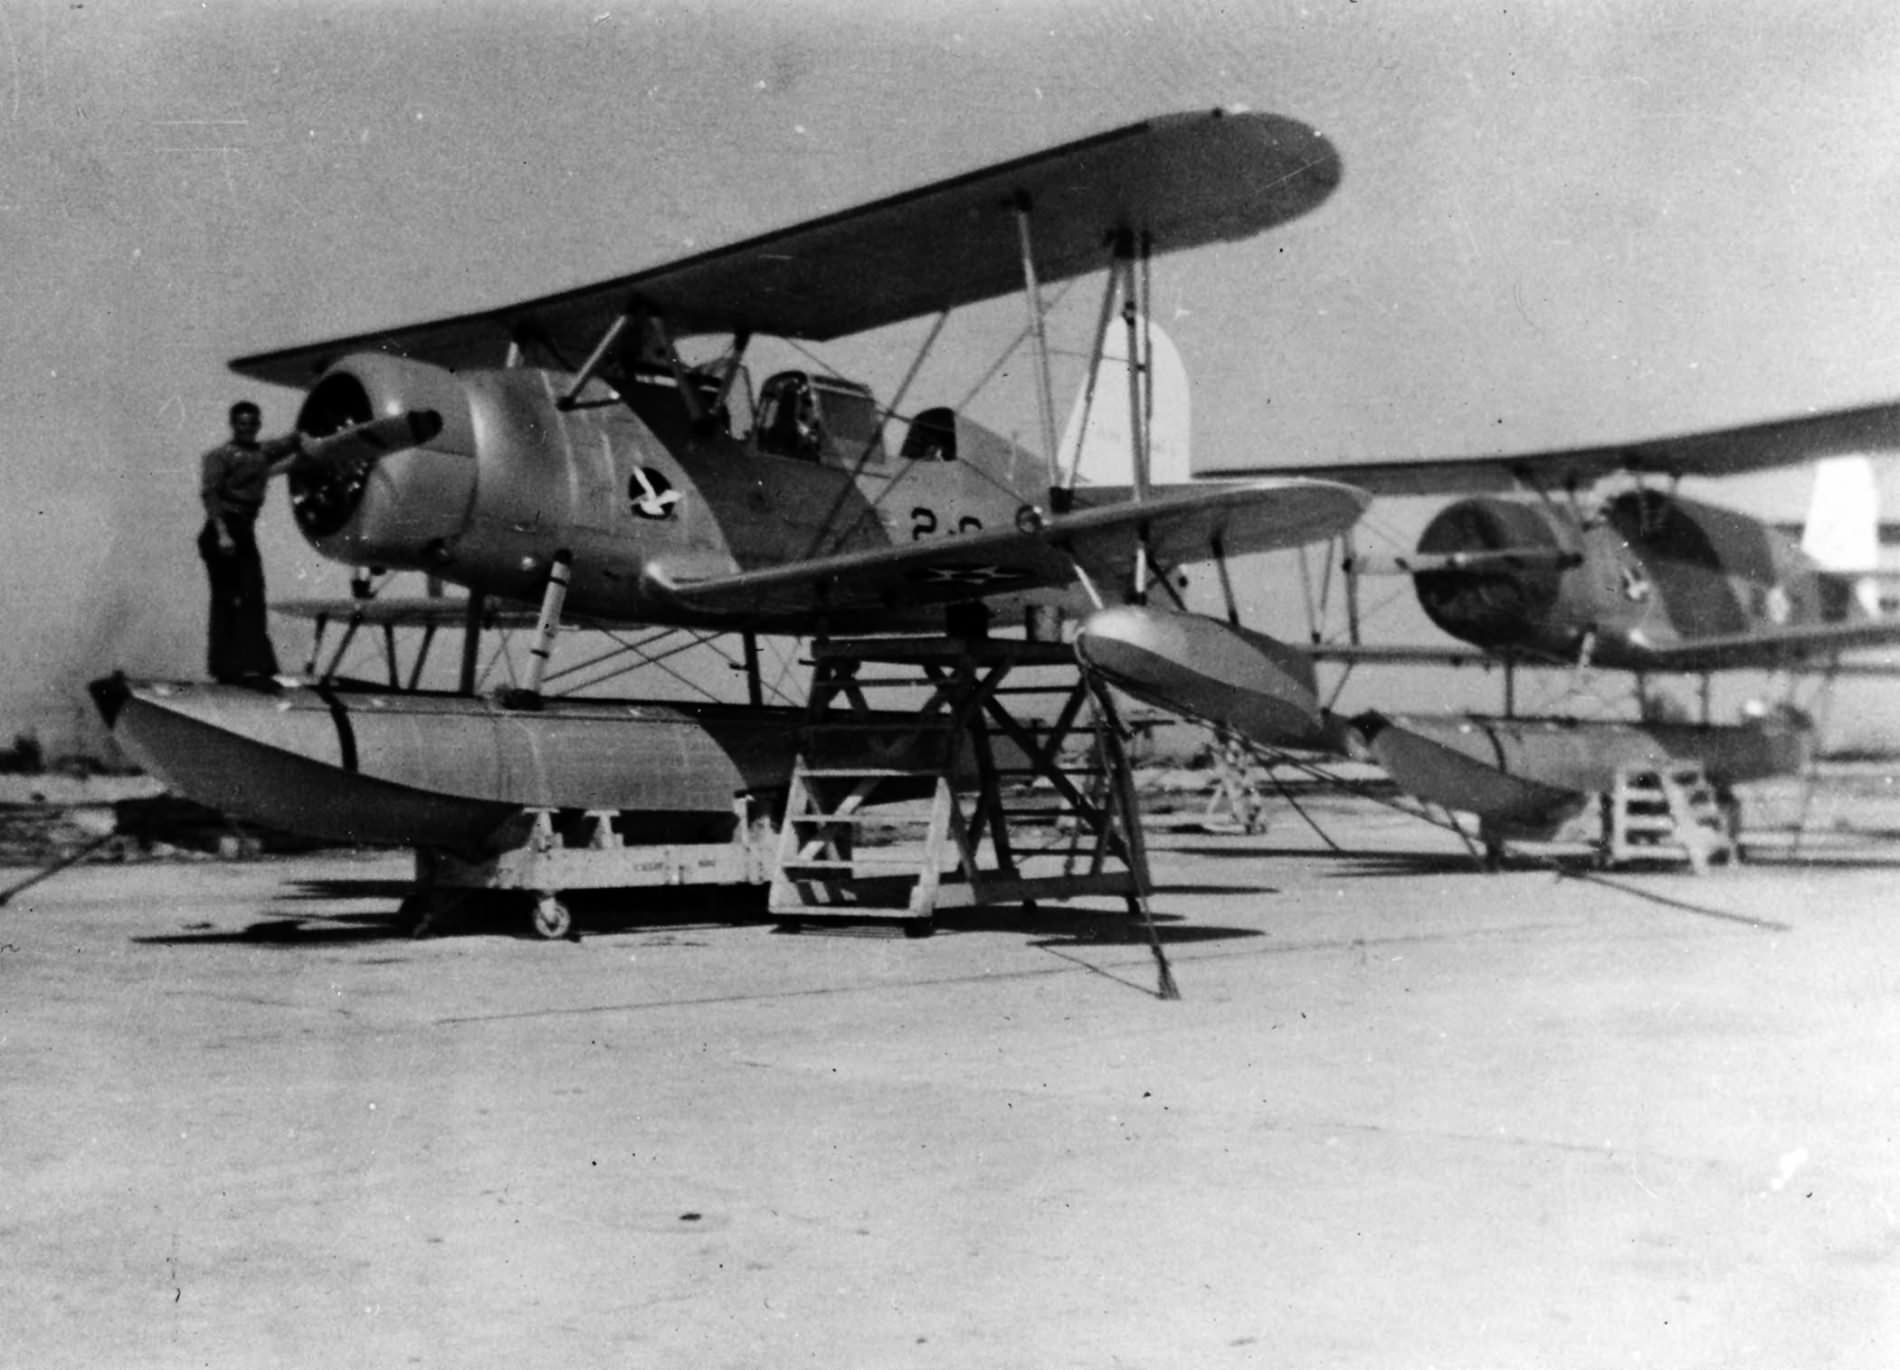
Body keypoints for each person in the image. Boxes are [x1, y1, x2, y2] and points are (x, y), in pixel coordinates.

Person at [198, 400, 303, 683]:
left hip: (244, 531)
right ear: (234, 425)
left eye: (252, 424)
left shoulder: (261, 452)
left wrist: (303, 436)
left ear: (258, 425)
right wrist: (222, 533)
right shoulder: (219, 456)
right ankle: (229, 668)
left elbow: (288, 443)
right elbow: (210, 494)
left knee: (252, 595)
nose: (247, 428)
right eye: (242, 424)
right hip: (223, 530)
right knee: (229, 597)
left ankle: (252, 665)